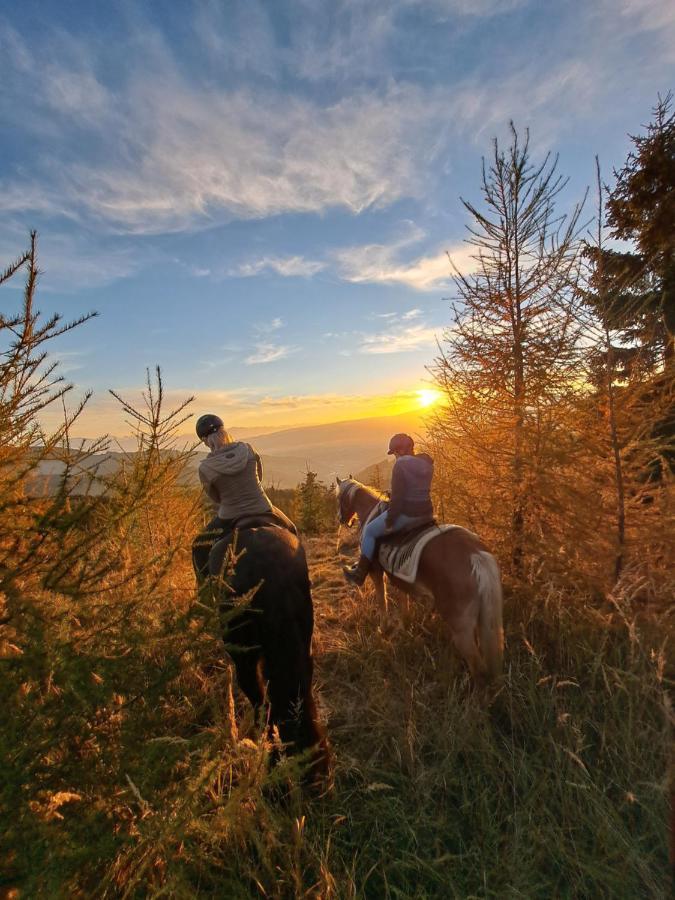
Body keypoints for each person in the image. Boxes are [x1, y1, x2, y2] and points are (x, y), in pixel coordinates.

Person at [192, 414, 296, 582]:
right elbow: (259, 477)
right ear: (224, 430)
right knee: (292, 530)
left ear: (205, 440)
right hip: (263, 507)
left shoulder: (205, 468)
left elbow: (216, 498)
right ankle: (303, 576)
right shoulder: (248, 449)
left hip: (230, 516)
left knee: (199, 547)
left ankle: (205, 593)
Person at [343, 433, 434, 585]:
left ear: (400, 451)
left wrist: (390, 520)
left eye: (394, 453)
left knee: (370, 531)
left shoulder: (400, 465)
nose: (395, 457)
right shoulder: (426, 463)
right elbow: (414, 488)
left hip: (408, 515)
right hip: (427, 513)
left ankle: (359, 574)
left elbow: (398, 501)